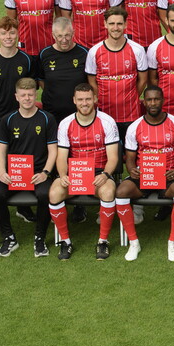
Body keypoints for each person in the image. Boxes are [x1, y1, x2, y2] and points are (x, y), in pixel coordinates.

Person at [116, 86, 174, 262]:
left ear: (163, 100)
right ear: (144, 102)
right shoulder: (135, 126)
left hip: (168, 175)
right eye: (149, 99)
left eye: (156, 99)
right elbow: (130, 157)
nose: (153, 103)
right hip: (144, 175)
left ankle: (172, 243)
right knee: (121, 192)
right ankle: (134, 242)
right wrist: (132, 169)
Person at [48, 83, 120, 260]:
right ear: (74, 101)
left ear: (95, 99)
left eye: (88, 99)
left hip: (98, 173)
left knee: (109, 191)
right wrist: (63, 175)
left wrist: (105, 174)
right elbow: (61, 157)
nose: (84, 103)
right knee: (55, 192)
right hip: (75, 174)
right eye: (80, 99)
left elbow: (113, 158)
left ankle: (103, 241)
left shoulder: (107, 122)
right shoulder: (66, 124)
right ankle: (65, 242)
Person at [0, 78, 58, 257]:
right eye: (23, 95)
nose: (27, 98)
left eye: (30, 94)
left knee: (46, 194)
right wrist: (3, 172)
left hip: (38, 174)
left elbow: (53, 151)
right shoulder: (7, 120)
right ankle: (9, 237)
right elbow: (0, 151)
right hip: (14, 174)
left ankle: (40, 237)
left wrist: (45, 172)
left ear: (36, 95)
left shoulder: (47, 118)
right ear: (16, 97)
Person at [36, 17, 92, 225]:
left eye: (67, 35)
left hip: (78, 117)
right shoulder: (44, 54)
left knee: (77, 155)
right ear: (53, 35)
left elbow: (89, 82)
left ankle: (79, 204)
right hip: (52, 116)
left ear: (73, 32)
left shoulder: (84, 53)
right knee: (55, 154)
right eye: (60, 36)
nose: (64, 40)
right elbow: (41, 82)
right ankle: (55, 197)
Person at [85, 6, 148, 141]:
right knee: (108, 154)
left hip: (131, 114)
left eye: (119, 23)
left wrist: (130, 96)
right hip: (105, 115)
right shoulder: (94, 52)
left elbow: (143, 79)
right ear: (105, 24)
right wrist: (101, 97)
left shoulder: (137, 50)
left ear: (125, 24)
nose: (116, 28)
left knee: (131, 153)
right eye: (112, 23)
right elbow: (91, 81)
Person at [0, 16, 37, 140]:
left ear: (18, 34)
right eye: (3, 33)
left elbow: (32, 88)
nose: (8, 37)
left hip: (20, 115)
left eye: (12, 33)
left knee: (19, 154)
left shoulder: (27, 60)